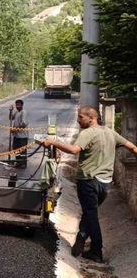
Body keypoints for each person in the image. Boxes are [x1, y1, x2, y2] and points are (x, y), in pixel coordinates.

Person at [41, 106, 137, 263]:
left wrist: (53, 142)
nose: (78, 120)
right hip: (105, 184)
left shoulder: (87, 133)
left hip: (88, 181)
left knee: (91, 216)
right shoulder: (110, 132)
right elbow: (132, 147)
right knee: (89, 212)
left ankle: (96, 251)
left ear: (91, 118)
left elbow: (73, 150)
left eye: (80, 117)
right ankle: (81, 237)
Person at [9, 99, 29, 167]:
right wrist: (11, 111)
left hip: (22, 136)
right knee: (15, 149)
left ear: (22, 105)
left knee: (22, 150)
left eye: (19, 105)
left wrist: (14, 130)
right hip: (16, 136)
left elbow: (23, 124)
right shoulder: (16, 112)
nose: (17, 106)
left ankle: (23, 163)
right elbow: (11, 118)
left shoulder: (24, 112)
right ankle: (18, 162)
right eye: (16, 105)